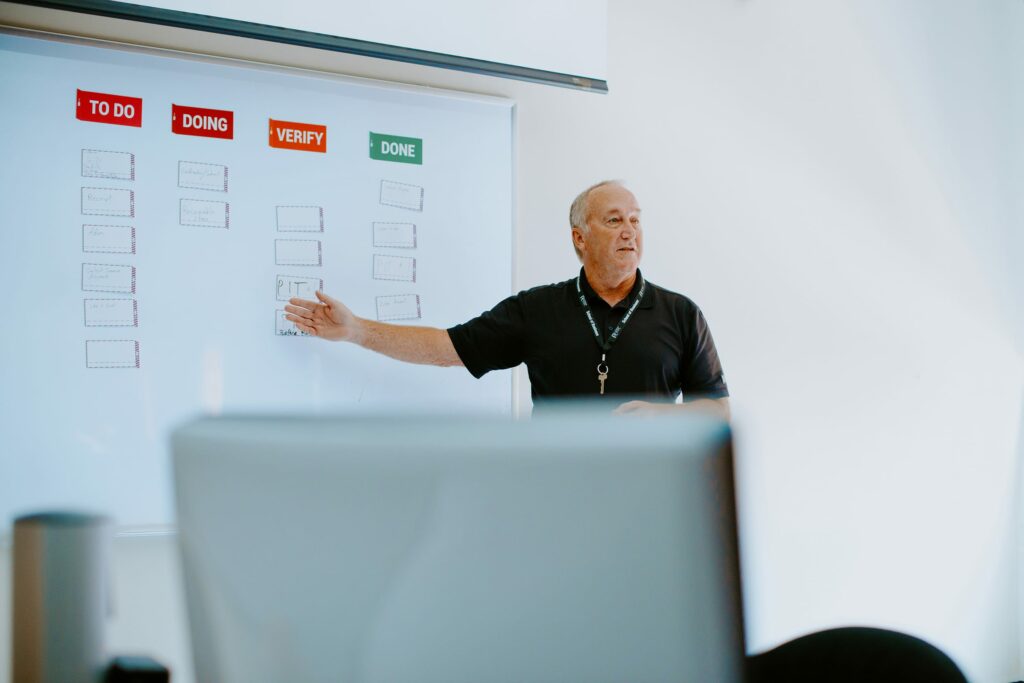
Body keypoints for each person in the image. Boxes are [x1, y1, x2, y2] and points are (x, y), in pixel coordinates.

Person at [285, 180, 729, 417]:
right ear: (580, 237)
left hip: (651, 502)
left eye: (635, 219)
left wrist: (664, 419)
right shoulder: (537, 310)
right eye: (614, 219)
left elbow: (716, 412)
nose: (629, 229)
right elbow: (447, 348)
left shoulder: (681, 314)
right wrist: (358, 330)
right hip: (555, 501)